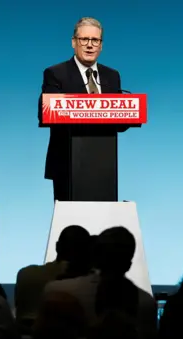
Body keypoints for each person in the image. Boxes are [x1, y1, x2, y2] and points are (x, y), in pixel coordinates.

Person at [39, 17, 123, 201]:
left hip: (103, 165)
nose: (90, 45)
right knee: (71, 227)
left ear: (101, 45)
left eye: (95, 40)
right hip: (68, 165)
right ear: (73, 42)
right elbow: (47, 112)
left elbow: (121, 121)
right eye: (84, 39)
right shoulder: (55, 73)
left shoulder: (112, 75)